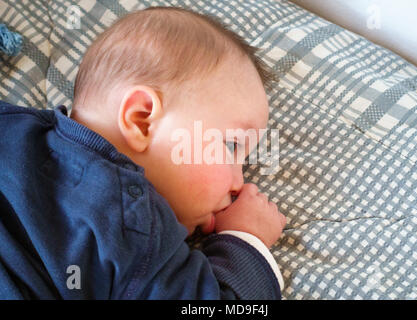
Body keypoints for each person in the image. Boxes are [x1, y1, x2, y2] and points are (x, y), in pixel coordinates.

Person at [0, 6, 285, 299]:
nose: (241, 184)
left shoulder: (13, 124)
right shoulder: (136, 224)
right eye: (231, 146)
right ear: (141, 119)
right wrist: (248, 238)